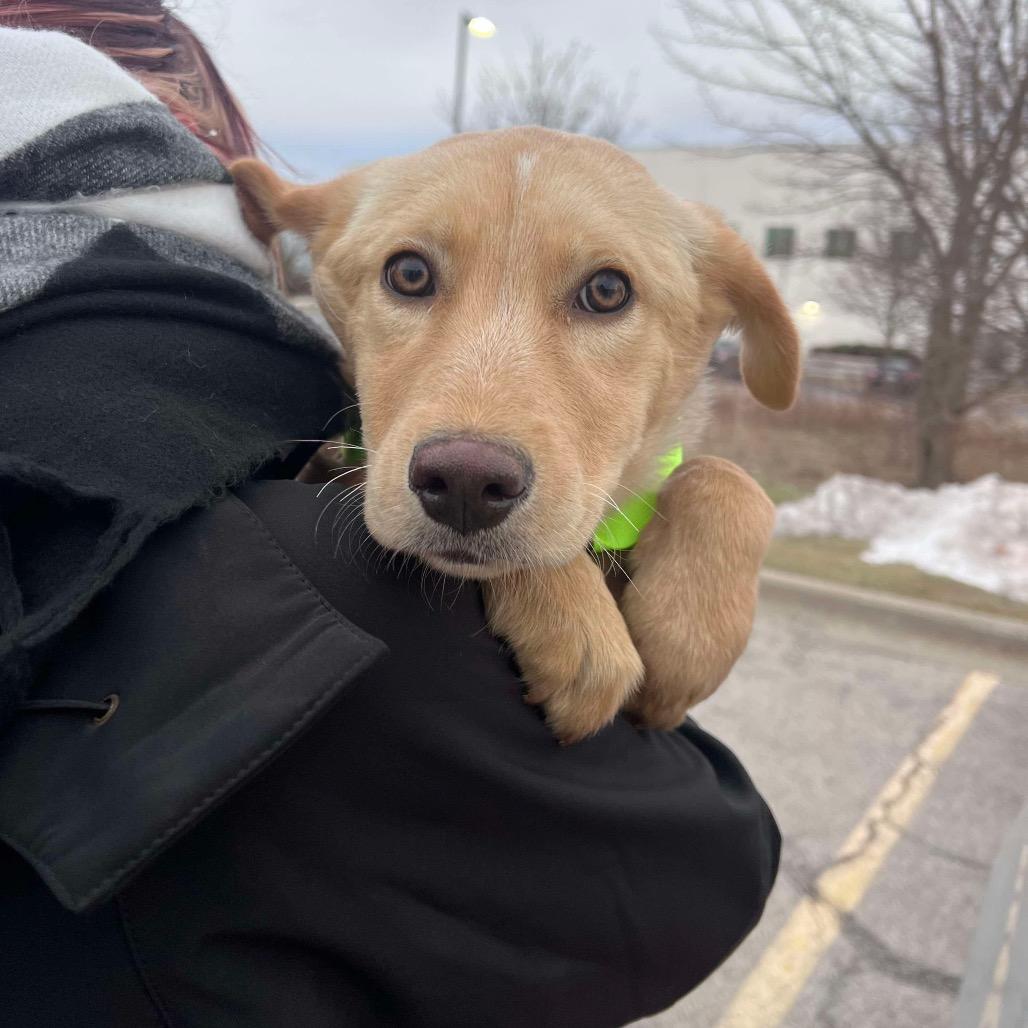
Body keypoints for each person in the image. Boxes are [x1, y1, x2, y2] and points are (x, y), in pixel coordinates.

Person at [0, 6, 780, 1026]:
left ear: (716, 314)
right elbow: (694, 876)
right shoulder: (238, 434)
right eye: (412, 277)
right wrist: (531, 566)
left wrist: (719, 509)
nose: (474, 435)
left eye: (601, 294)